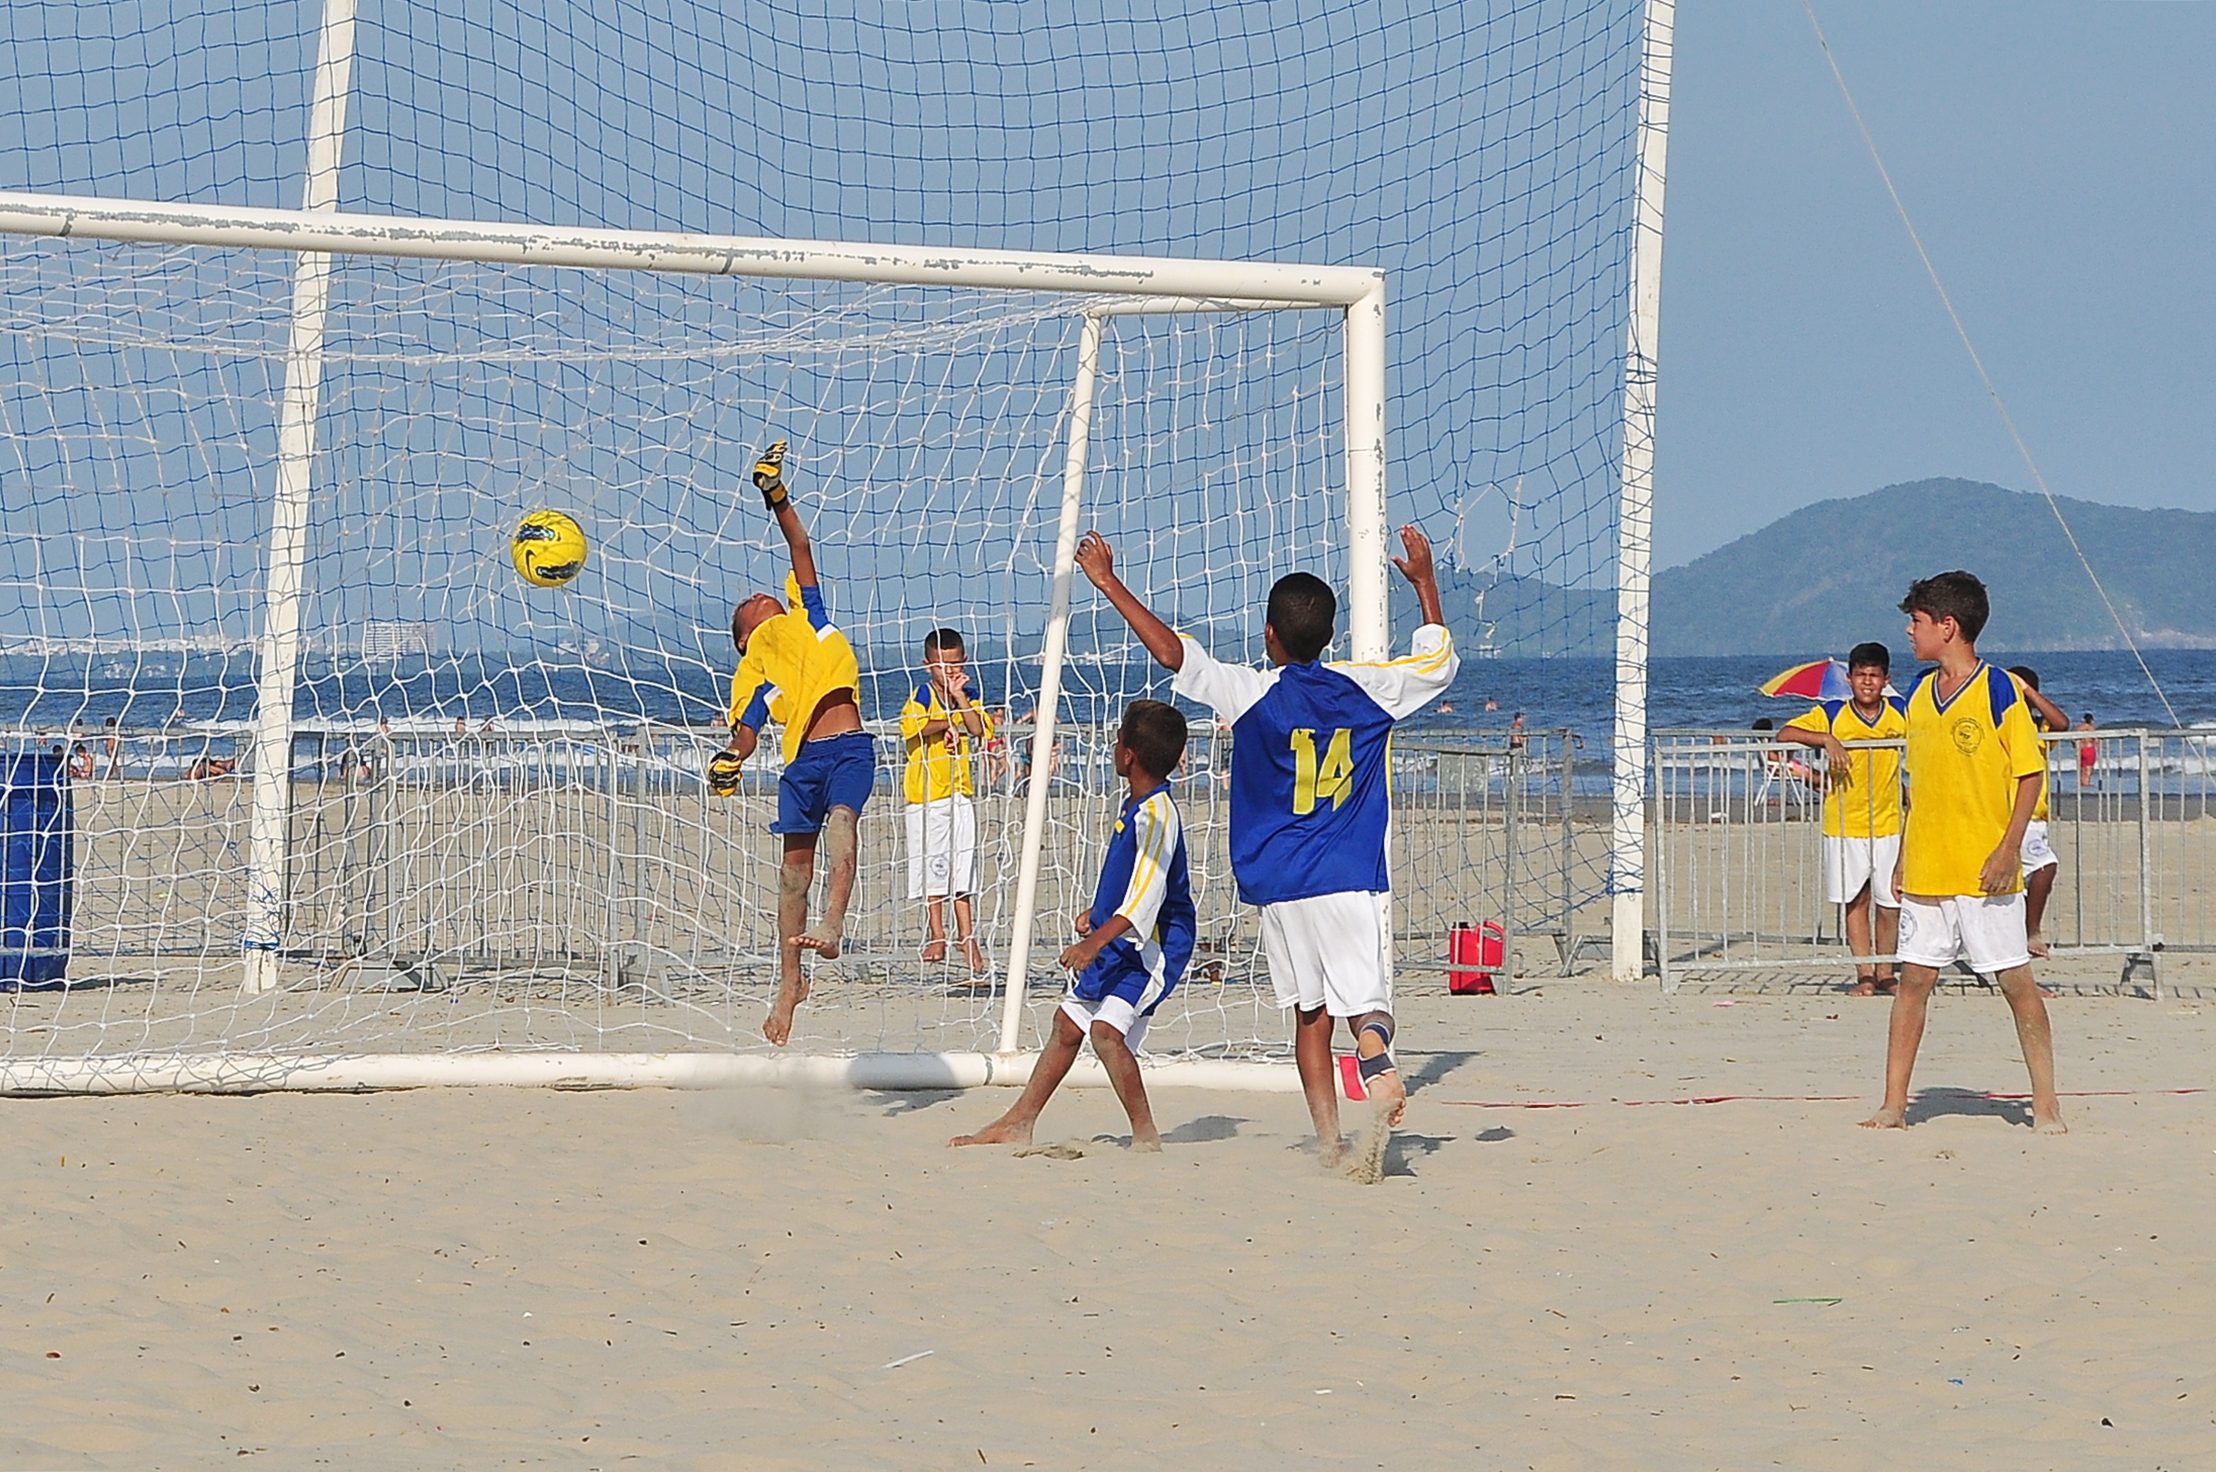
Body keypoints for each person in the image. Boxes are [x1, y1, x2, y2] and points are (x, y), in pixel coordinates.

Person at [1073, 523, 1458, 1178]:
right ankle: (1375, 1054)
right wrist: (1424, 586)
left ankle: (1332, 1142)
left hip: (1278, 882)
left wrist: (1107, 580)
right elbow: (1439, 665)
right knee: (1367, 1005)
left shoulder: (1251, 693)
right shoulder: (1365, 687)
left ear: (1270, 637)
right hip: (1346, 872)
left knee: (1309, 1014)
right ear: (1329, 638)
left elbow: (1173, 655)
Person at [1861, 570, 2064, 1133]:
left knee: (2016, 985)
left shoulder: (1999, 688)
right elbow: (1918, 787)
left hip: (1986, 872)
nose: (1909, 630)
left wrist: (2008, 850)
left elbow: (2028, 774)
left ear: (1947, 627)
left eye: (1918, 621)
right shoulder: (1921, 694)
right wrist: (1903, 855)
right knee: (1912, 985)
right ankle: (1894, 1104)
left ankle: (2045, 1105)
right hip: (1927, 867)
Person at [949, 700, 1194, 1152]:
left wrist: (1094, 941)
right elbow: (1129, 880)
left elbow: (1146, 899)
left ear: (1127, 756)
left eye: (1118, 739)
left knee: (1105, 1033)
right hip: (1120, 938)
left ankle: (1146, 1136)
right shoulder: (1137, 804)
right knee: (1068, 1023)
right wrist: (1094, 916)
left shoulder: (1159, 814)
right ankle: (1019, 1121)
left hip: (1155, 949)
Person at [708, 440, 875, 1047]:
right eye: (749, 603)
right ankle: (789, 981)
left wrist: (774, 492)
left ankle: (833, 923)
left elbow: (799, 545)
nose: (759, 595)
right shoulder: (754, 664)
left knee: (843, 826)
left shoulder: (809, 615)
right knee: (789, 876)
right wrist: (730, 758)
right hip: (801, 762)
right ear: (744, 631)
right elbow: (748, 725)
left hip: (850, 746)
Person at [1774, 642, 1909, 995]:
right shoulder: (1832, 713)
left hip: (1889, 821)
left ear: (1885, 680)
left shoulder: (1900, 711)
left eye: (1874, 676)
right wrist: (1825, 740)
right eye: (1861, 675)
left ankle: (1886, 970)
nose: (1867, 682)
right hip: (1845, 822)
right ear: (1849, 679)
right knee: (1856, 900)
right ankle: (1864, 972)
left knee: (1890, 902)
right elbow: (1785, 734)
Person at [899, 628, 993, 974]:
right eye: (942, 665)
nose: (949, 672)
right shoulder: (922, 695)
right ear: (928, 666)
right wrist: (946, 722)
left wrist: (960, 701)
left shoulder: (969, 695)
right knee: (932, 868)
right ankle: (937, 933)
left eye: (954, 664)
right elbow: (913, 727)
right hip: (925, 796)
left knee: (962, 868)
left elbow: (979, 728)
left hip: (959, 793)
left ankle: (967, 937)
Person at [2006, 666, 2072, 958]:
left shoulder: (2038, 729)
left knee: (2037, 874)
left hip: (2036, 816)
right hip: (2006, 815)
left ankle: (2028, 932)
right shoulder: (1999, 724)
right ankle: (2027, 933)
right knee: (2043, 866)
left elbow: (2062, 723)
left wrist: (2029, 692)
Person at [2074, 712, 2097, 793]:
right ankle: (2086, 784)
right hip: (2089, 749)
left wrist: (2076, 747)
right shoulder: (2092, 728)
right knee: (2089, 769)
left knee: (2082, 768)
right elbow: (2096, 740)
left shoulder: (2079, 728)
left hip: (2081, 749)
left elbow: (2073, 739)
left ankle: (2082, 783)